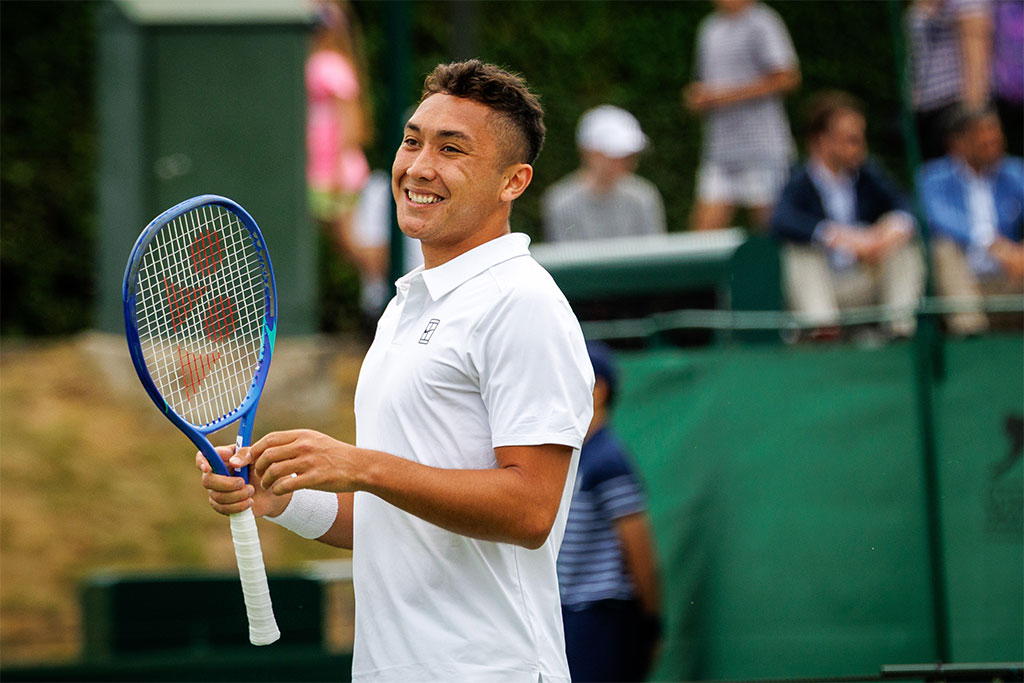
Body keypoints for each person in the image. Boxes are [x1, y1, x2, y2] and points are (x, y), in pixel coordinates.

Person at [198, 60, 595, 683]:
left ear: (512, 182)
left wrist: (360, 465)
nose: (419, 166)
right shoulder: (405, 306)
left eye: (452, 149)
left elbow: (531, 510)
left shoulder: (523, 303)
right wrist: (282, 500)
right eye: (412, 140)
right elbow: (398, 523)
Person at [771, 90, 925, 339]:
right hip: (821, 290)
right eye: (850, 140)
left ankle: (900, 331)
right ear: (822, 140)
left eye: (860, 138)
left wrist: (884, 235)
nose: (859, 147)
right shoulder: (799, 180)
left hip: (864, 280)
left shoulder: (868, 173)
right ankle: (823, 332)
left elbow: (908, 205)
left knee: (902, 241)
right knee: (800, 253)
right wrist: (839, 236)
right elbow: (781, 220)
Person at [558, 341, 661, 683]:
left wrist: (651, 623)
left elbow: (639, 547)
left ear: (598, 391)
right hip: (570, 616)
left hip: (603, 619)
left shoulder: (608, 458)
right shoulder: (577, 456)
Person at [684, 0, 801, 232]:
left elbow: (787, 78)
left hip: (763, 148)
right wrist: (698, 97)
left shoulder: (763, 22)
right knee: (701, 238)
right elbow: (704, 83)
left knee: (772, 232)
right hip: (720, 150)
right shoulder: (709, 28)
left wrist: (725, 96)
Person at [917, 105, 1024, 334]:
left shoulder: (1014, 172)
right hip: (959, 280)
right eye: (982, 132)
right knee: (942, 248)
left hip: (1008, 277)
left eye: (995, 131)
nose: (992, 139)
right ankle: (970, 333)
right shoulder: (932, 178)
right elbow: (937, 217)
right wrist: (990, 243)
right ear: (958, 143)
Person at [542, 105, 666, 242]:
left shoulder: (643, 196)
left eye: (628, 156)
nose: (625, 163)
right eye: (615, 155)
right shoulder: (561, 202)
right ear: (589, 153)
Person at [306, 0, 372, 259]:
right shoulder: (317, 62)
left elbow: (351, 122)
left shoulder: (329, 64)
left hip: (334, 173)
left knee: (348, 241)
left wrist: (336, 173)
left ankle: (381, 280)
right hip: (318, 171)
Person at [906, 0, 993, 161]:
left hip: (953, 108)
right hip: (926, 110)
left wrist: (972, 118)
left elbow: (976, 62)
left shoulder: (968, 4)